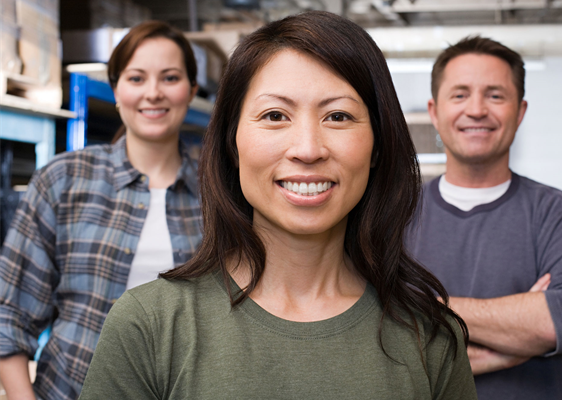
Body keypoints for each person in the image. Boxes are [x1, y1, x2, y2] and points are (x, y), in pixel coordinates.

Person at [79, 11, 477, 400]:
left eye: (338, 116)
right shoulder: (148, 325)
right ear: (232, 143)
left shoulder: (432, 338)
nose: (307, 149)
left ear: (377, 145)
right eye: (274, 115)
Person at [0, 21, 202, 400]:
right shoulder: (63, 180)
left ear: (190, 90)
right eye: (137, 78)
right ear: (116, 90)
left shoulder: (220, 192)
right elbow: (10, 311)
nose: (153, 93)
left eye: (170, 78)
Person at [405, 36, 562, 400]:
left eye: (495, 95)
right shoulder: (393, 214)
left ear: (520, 110)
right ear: (435, 111)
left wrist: (423, 306)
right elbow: (371, 334)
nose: (477, 109)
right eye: (460, 94)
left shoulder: (560, 214)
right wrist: (514, 339)